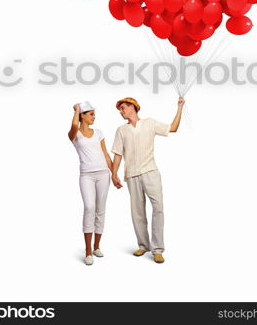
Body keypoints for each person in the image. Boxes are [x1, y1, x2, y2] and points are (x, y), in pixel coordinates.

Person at [111, 96, 185, 264]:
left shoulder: (150, 123)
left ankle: (157, 249)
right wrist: (114, 174)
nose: (121, 112)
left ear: (132, 107)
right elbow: (117, 153)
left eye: (123, 108)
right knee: (137, 212)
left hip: (150, 171)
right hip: (132, 174)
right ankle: (143, 245)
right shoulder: (121, 130)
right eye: (120, 110)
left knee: (158, 207)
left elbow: (172, 128)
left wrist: (179, 107)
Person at [68, 101, 119, 265]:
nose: (94, 117)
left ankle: (97, 246)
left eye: (94, 114)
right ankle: (88, 250)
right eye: (91, 114)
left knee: (100, 209)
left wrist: (115, 174)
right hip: (86, 175)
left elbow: (105, 154)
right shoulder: (75, 134)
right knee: (89, 207)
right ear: (82, 115)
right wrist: (76, 110)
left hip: (103, 174)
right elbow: (75, 124)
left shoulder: (99, 132)